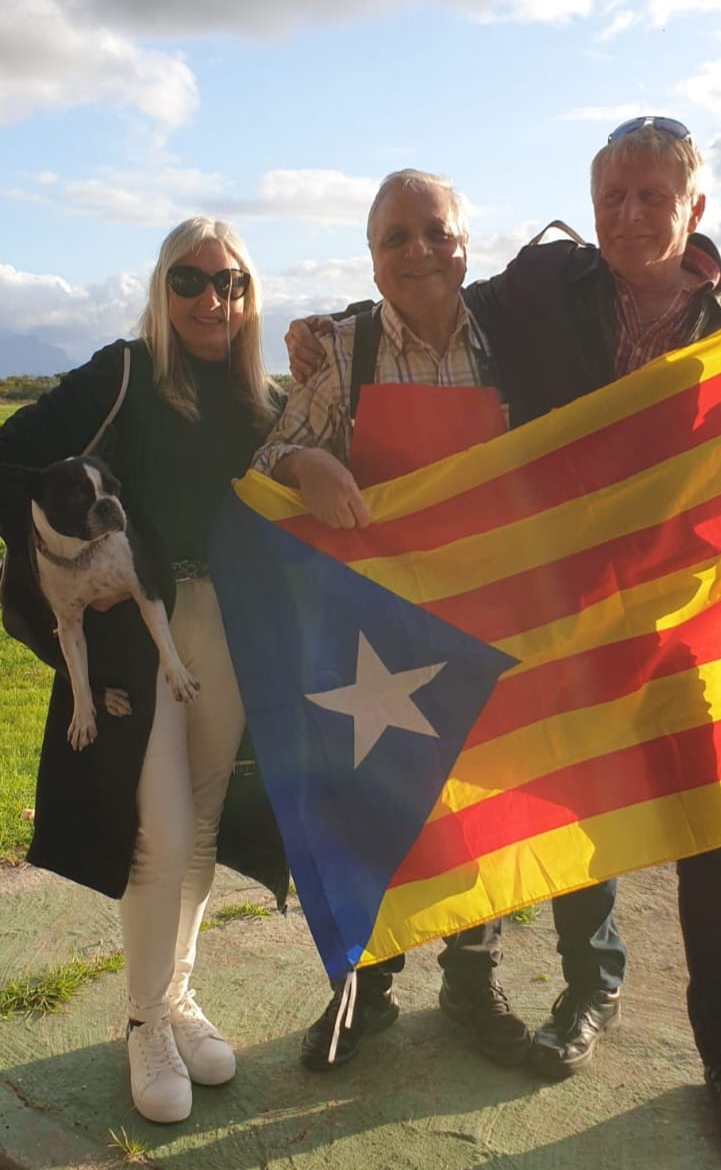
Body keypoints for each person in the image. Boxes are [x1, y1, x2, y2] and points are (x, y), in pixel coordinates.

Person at [285, 122, 721, 1164]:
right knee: (567, 805)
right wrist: (323, 330)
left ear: (694, 209)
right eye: (610, 196)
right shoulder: (543, 288)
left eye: (650, 196)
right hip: (564, 612)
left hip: (685, 623)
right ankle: (585, 991)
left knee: (718, 838)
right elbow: (430, 292)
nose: (627, 216)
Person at [0, 217, 288, 1126]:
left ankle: (178, 996)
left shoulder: (263, 398)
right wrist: (67, 561)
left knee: (202, 824)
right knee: (158, 831)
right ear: (161, 288)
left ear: (249, 294)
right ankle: (146, 1021)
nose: (211, 299)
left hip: (226, 626)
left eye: (229, 282)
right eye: (189, 280)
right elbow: (1, 464)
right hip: (138, 632)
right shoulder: (122, 373)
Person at [253, 169, 531, 1073]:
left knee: (479, 808)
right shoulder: (344, 348)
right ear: (371, 258)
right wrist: (303, 464)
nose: (418, 251)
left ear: (466, 244)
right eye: (394, 238)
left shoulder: (514, 342)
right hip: (375, 631)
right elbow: (268, 457)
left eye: (434, 231)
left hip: (485, 615)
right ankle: (362, 989)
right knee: (373, 807)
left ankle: (472, 979)